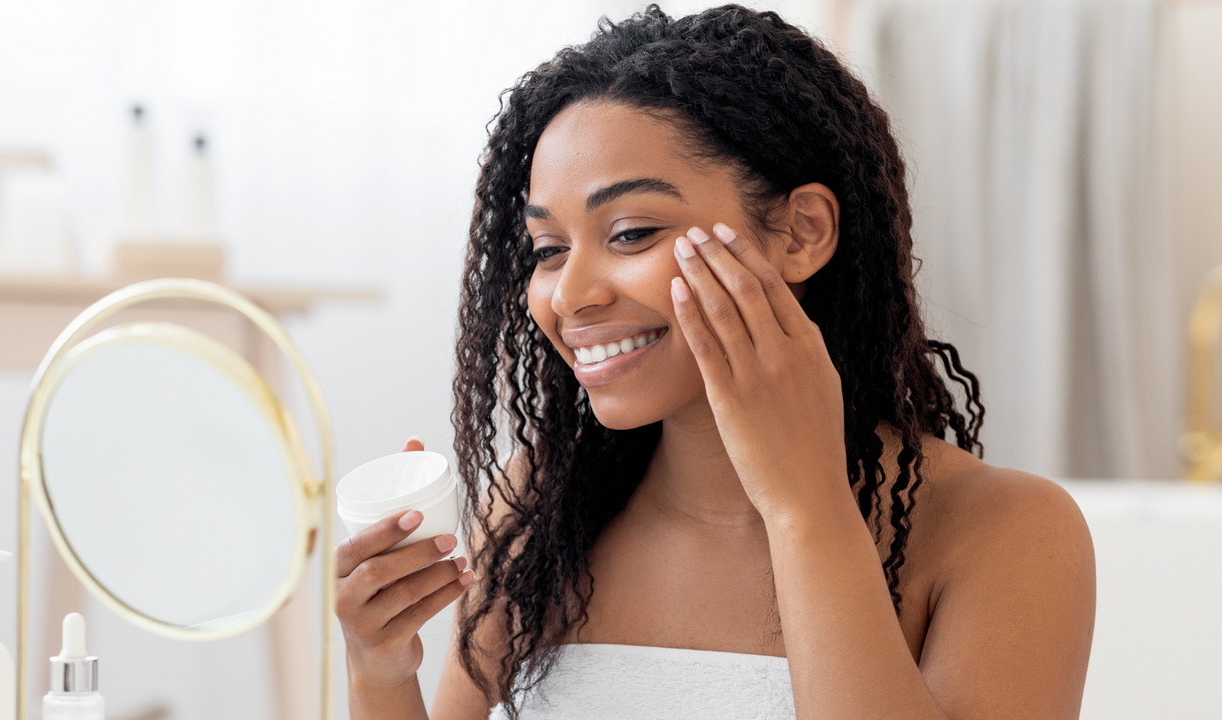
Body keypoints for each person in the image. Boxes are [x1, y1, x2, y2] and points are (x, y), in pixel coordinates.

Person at [334, 5, 1095, 719]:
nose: (571, 296)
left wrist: (806, 512)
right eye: (548, 250)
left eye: (631, 232)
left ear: (802, 231)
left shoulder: (1004, 532)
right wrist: (380, 671)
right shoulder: (541, 507)